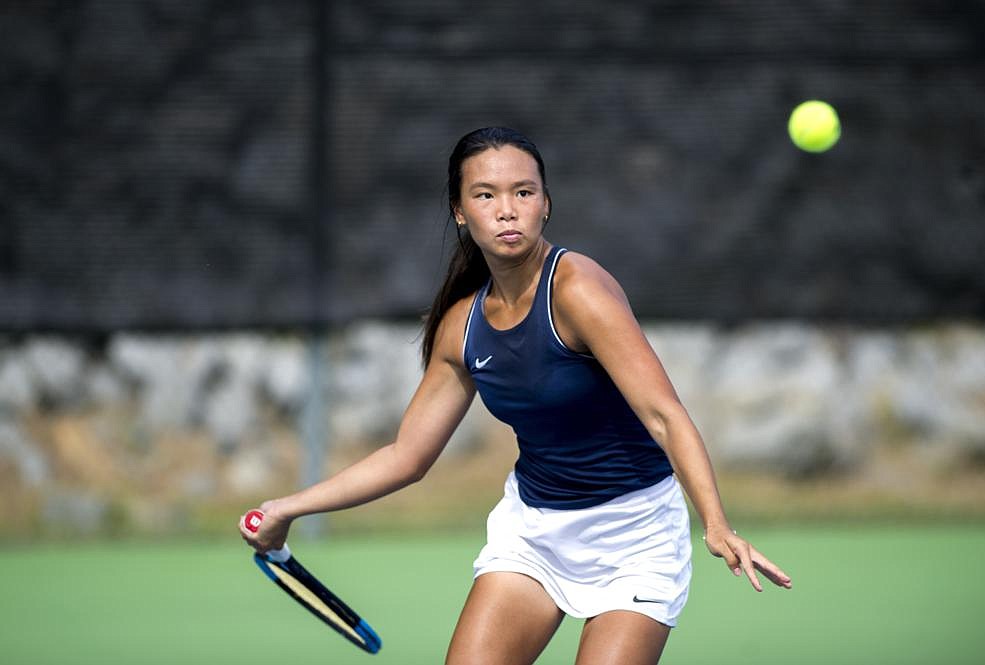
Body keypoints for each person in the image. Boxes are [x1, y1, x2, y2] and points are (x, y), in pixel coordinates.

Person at [239, 126, 792, 665]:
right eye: (485, 195)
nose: (507, 209)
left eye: (523, 193)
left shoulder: (579, 290)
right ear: (460, 211)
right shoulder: (461, 328)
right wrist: (287, 508)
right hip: (533, 533)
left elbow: (665, 416)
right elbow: (406, 457)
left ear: (545, 204)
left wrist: (715, 524)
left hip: (637, 536)